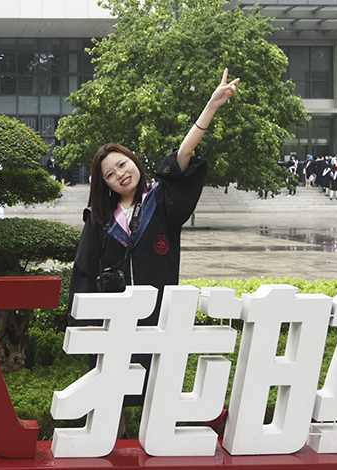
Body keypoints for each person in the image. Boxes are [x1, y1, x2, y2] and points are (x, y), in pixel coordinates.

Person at [67, 68, 237, 437]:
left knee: (156, 389)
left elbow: (183, 155)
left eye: (122, 164)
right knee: (111, 392)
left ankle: (153, 447)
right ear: (105, 184)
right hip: (114, 319)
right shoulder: (100, 219)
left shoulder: (161, 201)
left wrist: (210, 106)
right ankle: (112, 446)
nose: (120, 174)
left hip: (158, 317)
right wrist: (85, 323)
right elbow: (83, 270)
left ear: (133, 161)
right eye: (110, 174)